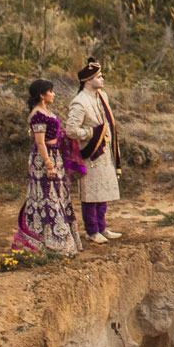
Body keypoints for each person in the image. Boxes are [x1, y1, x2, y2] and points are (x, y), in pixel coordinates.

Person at [11, 78, 82, 255]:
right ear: (42, 95)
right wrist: (48, 165)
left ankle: (59, 239)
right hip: (44, 159)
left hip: (54, 155)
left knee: (57, 195)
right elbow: (40, 143)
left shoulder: (45, 111)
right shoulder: (38, 115)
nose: (54, 94)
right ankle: (51, 242)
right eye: (51, 91)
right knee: (47, 197)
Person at [64, 57, 124, 243]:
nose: (102, 79)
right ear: (88, 80)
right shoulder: (79, 102)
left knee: (102, 192)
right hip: (90, 153)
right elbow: (71, 130)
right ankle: (92, 230)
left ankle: (102, 227)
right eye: (99, 76)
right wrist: (90, 133)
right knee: (91, 194)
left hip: (104, 152)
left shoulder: (102, 97)